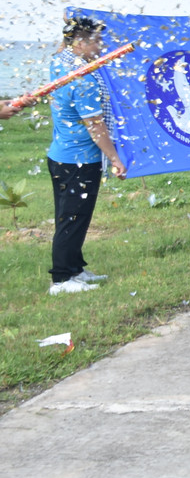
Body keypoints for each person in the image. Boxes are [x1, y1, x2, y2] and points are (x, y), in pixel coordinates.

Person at [44, 17, 126, 294]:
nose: (101, 45)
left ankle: (75, 269)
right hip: (78, 159)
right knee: (73, 218)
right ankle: (61, 279)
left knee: (70, 215)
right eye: (96, 40)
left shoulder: (60, 62)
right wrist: (115, 159)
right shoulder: (82, 79)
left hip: (61, 156)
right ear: (80, 42)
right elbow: (95, 125)